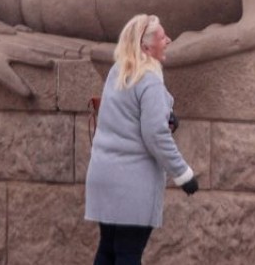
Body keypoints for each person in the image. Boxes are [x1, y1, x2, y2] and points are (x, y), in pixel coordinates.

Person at [84, 14, 198, 265]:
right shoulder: (150, 80)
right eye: (162, 37)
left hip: (104, 177)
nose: (168, 40)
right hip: (131, 185)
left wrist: (166, 114)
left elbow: (129, 115)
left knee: (108, 251)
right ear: (146, 47)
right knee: (127, 255)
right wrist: (184, 174)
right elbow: (155, 135)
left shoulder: (119, 70)